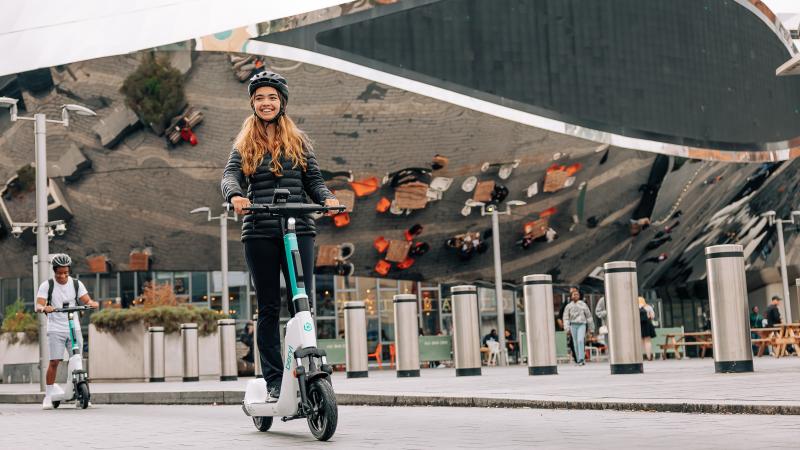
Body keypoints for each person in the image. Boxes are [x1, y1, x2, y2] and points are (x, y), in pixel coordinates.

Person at [221, 70, 340, 402]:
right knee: (269, 307)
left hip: (298, 228)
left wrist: (327, 198)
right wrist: (235, 196)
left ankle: (310, 366)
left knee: (303, 302)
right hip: (259, 230)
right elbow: (230, 175)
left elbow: (314, 179)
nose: (265, 103)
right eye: (259, 98)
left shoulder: (298, 140)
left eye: (272, 97)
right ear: (253, 104)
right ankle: (274, 380)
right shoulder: (244, 142)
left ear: (282, 102)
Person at [34, 254, 98, 410]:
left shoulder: (76, 284)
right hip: (56, 329)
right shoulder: (47, 285)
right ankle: (48, 395)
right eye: (59, 273)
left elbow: (86, 300)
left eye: (65, 273)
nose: (62, 276)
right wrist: (44, 308)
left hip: (73, 327)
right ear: (54, 271)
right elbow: (38, 305)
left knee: (76, 359)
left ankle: (79, 394)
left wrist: (91, 303)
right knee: (55, 362)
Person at [562, 287, 594, 366]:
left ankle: (581, 359)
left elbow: (589, 316)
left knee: (580, 340)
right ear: (571, 296)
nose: (576, 296)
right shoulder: (568, 306)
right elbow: (565, 317)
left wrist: (591, 328)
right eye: (574, 294)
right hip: (573, 325)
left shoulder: (583, 304)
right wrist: (567, 328)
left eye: (577, 294)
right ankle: (578, 359)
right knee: (575, 343)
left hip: (582, 324)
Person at [639, 297, 657, 361]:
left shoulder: (634, 307)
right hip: (647, 324)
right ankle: (648, 356)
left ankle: (639, 357)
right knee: (647, 341)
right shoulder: (648, 307)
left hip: (638, 325)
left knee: (639, 342)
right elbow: (652, 316)